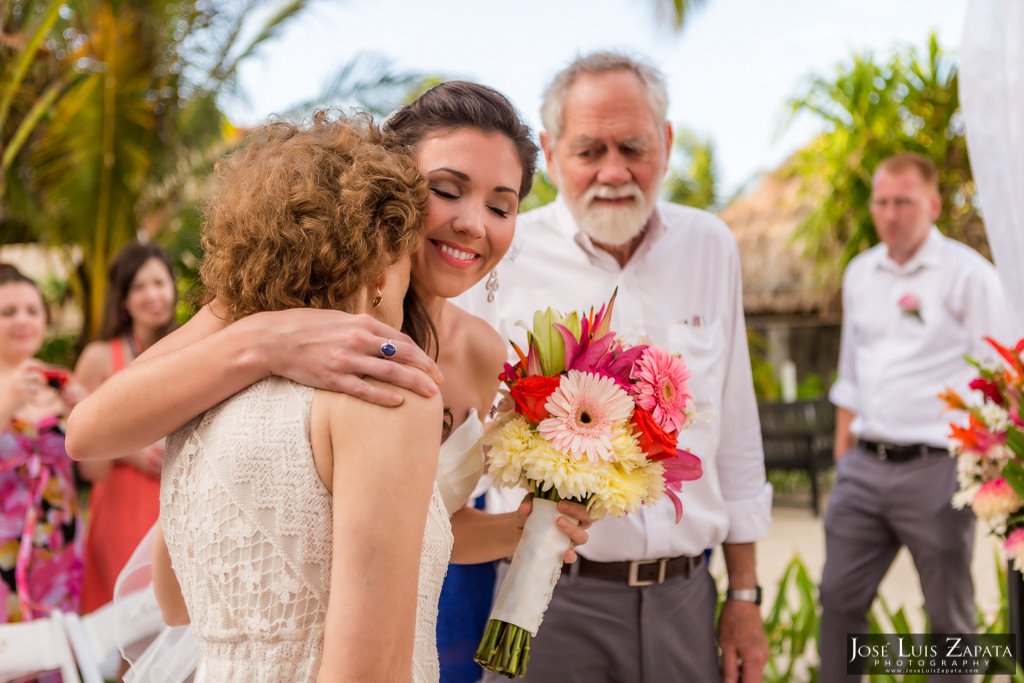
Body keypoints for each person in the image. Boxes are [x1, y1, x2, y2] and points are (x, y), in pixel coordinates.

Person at [65, 82, 591, 676]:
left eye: (502, 206)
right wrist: (263, 341)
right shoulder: (263, 300)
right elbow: (88, 429)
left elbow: (417, 526)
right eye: (446, 191)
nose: (473, 223)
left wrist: (519, 530)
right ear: (384, 182)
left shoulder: (482, 356)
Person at [454, 51, 772, 683]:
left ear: (667, 141)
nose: (614, 171)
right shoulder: (498, 255)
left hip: (686, 600)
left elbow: (735, 430)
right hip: (546, 603)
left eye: (633, 146)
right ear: (548, 149)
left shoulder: (711, 246)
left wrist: (743, 595)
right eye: (589, 150)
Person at [150, 111, 450, 680]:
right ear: (383, 263)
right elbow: (369, 670)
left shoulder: (198, 398)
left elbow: (174, 603)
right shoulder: (385, 392)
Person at [820, 152, 1017, 682]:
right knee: (837, 599)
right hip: (862, 466)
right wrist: (843, 461)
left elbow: (1001, 379)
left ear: (932, 204)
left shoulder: (970, 275)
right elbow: (850, 375)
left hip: (938, 468)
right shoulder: (859, 273)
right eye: (881, 201)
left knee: (949, 618)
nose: (890, 213)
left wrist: (990, 472)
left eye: (903, 202)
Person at [75, 243, 178, 615]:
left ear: (173, 288)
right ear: (123, 298)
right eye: (138, 287)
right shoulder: (99, 358)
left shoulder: (194, 350)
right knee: (127, 623)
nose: (152, 295)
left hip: (177, 500)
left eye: (158, 283)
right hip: (122, 504)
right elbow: (81, 450)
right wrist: (131, 451)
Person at [0, 264, 88, 624]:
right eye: (8, 312)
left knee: (59, 651)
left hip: (58, 543)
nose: (23, 320)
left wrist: (87, 409)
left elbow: (96, 471)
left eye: (32, 311)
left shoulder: (62, 382)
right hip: (5, 542)